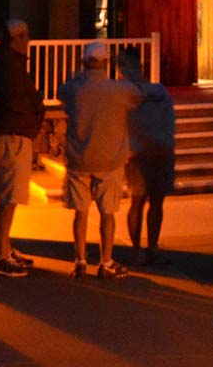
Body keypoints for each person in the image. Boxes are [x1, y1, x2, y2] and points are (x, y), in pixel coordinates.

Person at [59, 40, 142, 278]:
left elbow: (61, 92)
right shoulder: (119, 90)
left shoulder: (74, 89)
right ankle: (106, 260)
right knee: (108, 213)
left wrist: (77, 75)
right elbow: (138, 95)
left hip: (79, 158)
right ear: (106, 62)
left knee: (80, 213)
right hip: (110, 159)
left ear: (85, 62)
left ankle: (80, 259)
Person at [0, 20, 39, 277]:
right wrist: (31, 122)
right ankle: (1, 255)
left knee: (7, 195)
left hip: (8, 133)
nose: (28, 40)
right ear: (14, 38)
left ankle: (5, 246)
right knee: (9, 196)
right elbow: (21, 99)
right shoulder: (10, 67)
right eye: (25, 36)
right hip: (12, 135)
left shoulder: (3, 64)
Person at [121, 53, 176, 265]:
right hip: (145, 154)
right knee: (143, 201)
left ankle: (148, 249)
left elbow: (169, 117)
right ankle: (142, 249)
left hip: (150, 153)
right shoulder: (151, 92)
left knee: (150, 202)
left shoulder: (154, 91)